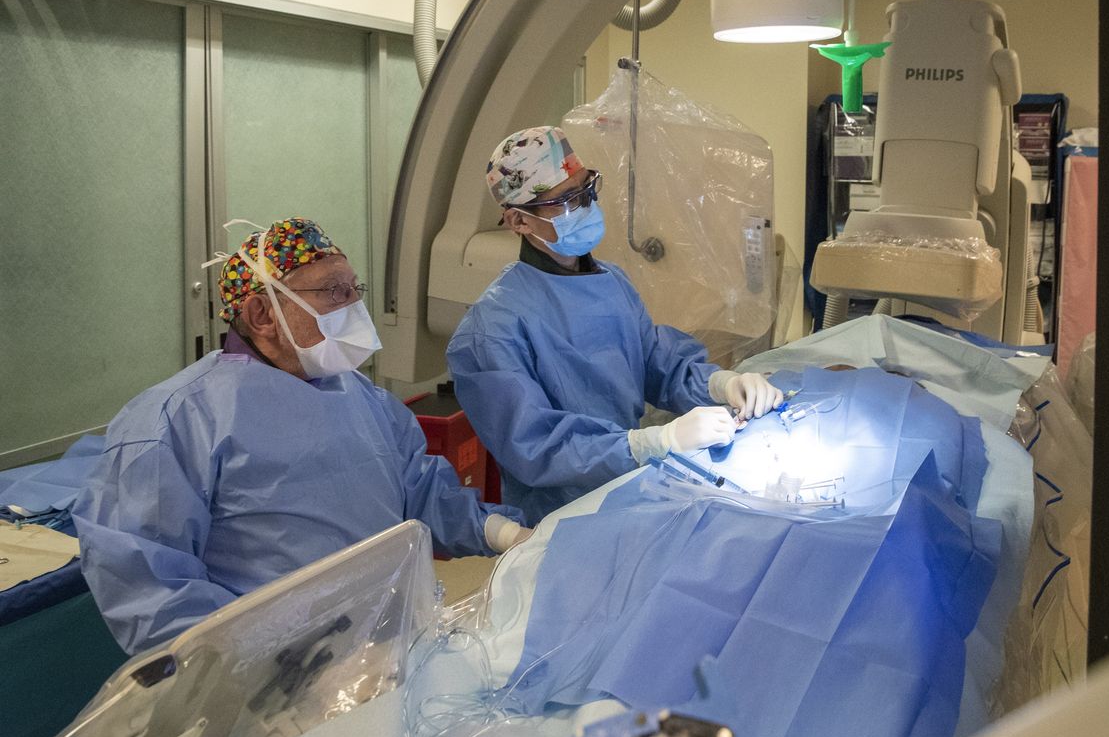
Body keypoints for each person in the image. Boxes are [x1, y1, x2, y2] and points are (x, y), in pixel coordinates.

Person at [73, 218, 529, 655]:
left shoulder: (363, 398)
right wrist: (267, 670)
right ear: (261, 313)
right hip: (272, 688)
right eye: (334, 291)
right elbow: (149, 585)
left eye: (355, 289)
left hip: (396, 646)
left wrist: (502, 531)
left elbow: (418, 492)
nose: (354, 306)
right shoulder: (176, 421)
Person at [446, 127, 783, 524]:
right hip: (562, 517)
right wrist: (655, 441)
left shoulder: (612, 282)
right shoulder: (493, 326)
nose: (586, 207)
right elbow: (535, 446)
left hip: (631, 489)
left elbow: (658, 365)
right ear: (519, 221)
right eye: (566, 202)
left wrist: (721, 384)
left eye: (587, 190)